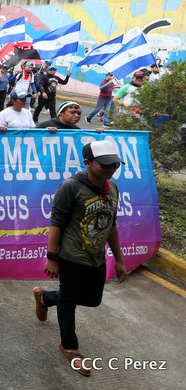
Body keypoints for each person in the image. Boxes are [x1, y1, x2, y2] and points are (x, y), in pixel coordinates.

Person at [33, 140, 127, 377]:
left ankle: (45, 297)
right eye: (105, 165)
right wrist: (52, 257)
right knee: (69, 301)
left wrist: (119, 259)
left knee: (92, 300)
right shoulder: (70, 187)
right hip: (71, 256)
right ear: (88, 163)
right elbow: (56, 224)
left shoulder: (113, 188)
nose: (111, 169)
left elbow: (112, 225)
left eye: (115, 164)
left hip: (96, 257)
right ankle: (70, 347)